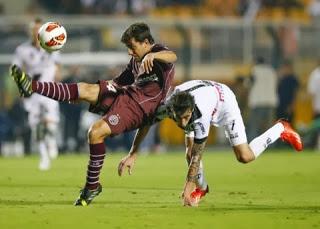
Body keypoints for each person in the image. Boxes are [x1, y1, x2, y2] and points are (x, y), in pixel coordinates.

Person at [10, 22, 177, 206]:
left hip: (138, 107)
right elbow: (118, 82)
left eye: (132, 46)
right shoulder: (135, 62)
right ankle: (30, 86)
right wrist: (87, 95)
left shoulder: (160, 53)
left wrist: (154, 55)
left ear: (146, 42)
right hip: (127, 95)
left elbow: (172, 56)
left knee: (95, 132)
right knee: (84, 88)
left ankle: (91, 187)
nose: (130, 52)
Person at [118, 80, 303, 207]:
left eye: (185, 118)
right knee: (188, 154)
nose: (182, 124)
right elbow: (146, 122)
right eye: (178, 118)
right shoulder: (168, 106)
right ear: (171, 111)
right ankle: (203, 188)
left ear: (190, 111)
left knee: (244, 156)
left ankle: (280, 128)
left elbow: (198, 154)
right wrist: (133, 153)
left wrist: (187, 188)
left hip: (224, 103)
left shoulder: (200, 114)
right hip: (204, 94)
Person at [11, 17, 61, 170]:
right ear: (30, 31)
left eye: (39, 29)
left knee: (51, 123)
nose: (36, 32)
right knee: (36, 125)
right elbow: (15, 69)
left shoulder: (53, 45)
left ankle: (51, 140)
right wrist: (21, 83)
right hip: (32, 92)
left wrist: (58, 81)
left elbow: (57, 67)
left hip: (50, 90)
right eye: (34, 29)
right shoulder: (22, 50)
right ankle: (43, 156)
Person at [247, 57, 278, 141]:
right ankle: (271, 146)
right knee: (269, 128)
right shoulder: (271, 70)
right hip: (270, 101)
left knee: (254, 126)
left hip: (258, 102)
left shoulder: (255, 70)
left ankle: (252, 145)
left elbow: (249, 83)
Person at [307, 59, 320, 149]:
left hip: (318, 106)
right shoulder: (315, 75)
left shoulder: (315, 75)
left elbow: (311, 92)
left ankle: (317, 146)